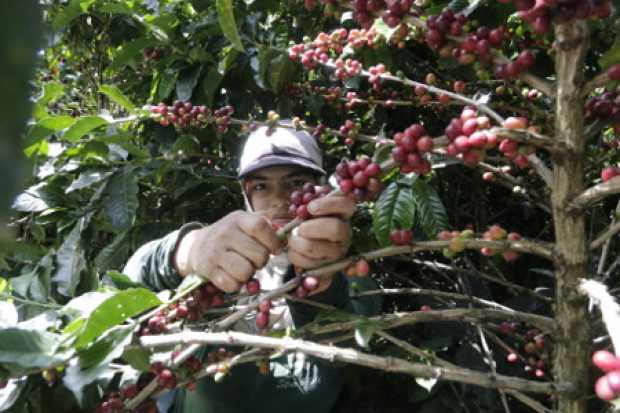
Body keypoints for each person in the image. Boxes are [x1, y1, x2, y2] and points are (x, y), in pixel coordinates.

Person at [123, 124, 357, 413]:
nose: (278, 200)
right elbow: (130, 282)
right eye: (260, 186)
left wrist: (321, 285)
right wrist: (189, 249)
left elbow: (340, 341)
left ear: (320, 190)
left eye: (296, 183)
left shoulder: (350, 277)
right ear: (245, 195)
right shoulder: (222, 262)